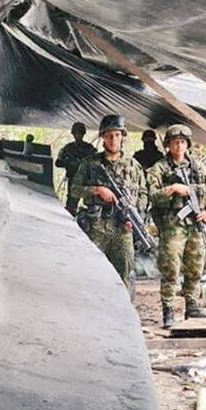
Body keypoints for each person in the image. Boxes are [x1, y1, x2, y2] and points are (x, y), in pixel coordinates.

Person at [146, 124, 206, 328]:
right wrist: (172, 189)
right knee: (170, 269)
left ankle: (192, 306)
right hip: (172, 224)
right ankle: (168, 310)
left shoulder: (197, 167)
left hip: (195, 223)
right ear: (168, 145)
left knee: (195, 266)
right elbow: (151, 195)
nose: (179, 146)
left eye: (182, 142)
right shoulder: (159, 168)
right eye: (175, 142)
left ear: (187, 144)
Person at [69, 114, 148, 289]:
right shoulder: (89, 164)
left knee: (125, 277)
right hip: (97, 228)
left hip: (123, 231)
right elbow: (74, 189)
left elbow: (143, 194)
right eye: (109, 135)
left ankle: (124, 314)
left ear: (122, 137)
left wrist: (136, 218)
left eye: (117, 135)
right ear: (103, 137)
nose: (113, 139)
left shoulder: (133, 166)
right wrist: (97, 190)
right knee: (93, 275)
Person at [55, 122, 95, 214]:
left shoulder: (90, 149)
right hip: (73, 180)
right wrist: (69, 163)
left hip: (87, 181)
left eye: (80, 133)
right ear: (73, 134)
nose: (78, 136)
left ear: (83, 134)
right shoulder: (68, 148)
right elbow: (58, 162)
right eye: (76, 133)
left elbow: (96, 164)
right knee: (71, 208)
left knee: (91, 208)